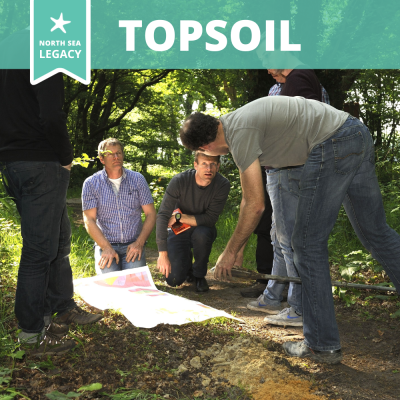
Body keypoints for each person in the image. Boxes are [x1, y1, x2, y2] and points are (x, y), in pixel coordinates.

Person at [179, 96, 400, 364]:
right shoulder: (237, 123)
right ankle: (322, 342)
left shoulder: (239, 133)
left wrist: (229, 251)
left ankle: (322, 345)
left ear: (205, 147)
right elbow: (250, 199)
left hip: (333, 142)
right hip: (355, 132)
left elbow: (255, 204)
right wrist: (239, 247)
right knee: (376, 233)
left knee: (306, 244)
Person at [0, 43, 101, 356]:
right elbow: (51, 116)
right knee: (39, 250)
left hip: (13, 162)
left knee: (58, 239)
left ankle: (60, 306)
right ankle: (31, 335)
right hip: (40, 162)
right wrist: (66, 157)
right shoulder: (46, 52)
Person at [247, 69, 331, 328]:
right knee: (278, 237)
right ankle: (273, 294)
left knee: (289, 240)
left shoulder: (303, 87)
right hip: (285, 170)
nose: (269, 70)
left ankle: (297, 307)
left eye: (270, 62)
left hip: (286, 170)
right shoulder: (280, 89)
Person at [156, 152, 230, 292]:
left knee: (202, 234)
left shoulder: (222, 184)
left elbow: (210, 219)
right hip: (179, 228)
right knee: (173, 280)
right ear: (195, 165)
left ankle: (199, 275)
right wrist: (162, 254)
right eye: (204, 164)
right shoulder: (179, 181)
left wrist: (180, 217)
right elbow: (163, 215)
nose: (208, 168)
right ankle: (187, 264)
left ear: (218, 166)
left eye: (212, 164)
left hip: (202, 228)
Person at [82, 138, 156, 274]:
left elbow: (151, 214)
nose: (116, 157)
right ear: (102, 158)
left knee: (134, 285)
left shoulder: (138, 179)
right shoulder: (91, 183)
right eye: (110, 153)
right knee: (111, 286)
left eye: (119, 153)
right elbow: (89, 220)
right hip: (106, 245)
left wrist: (139, 244)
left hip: (133, 245)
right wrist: (105, 247)